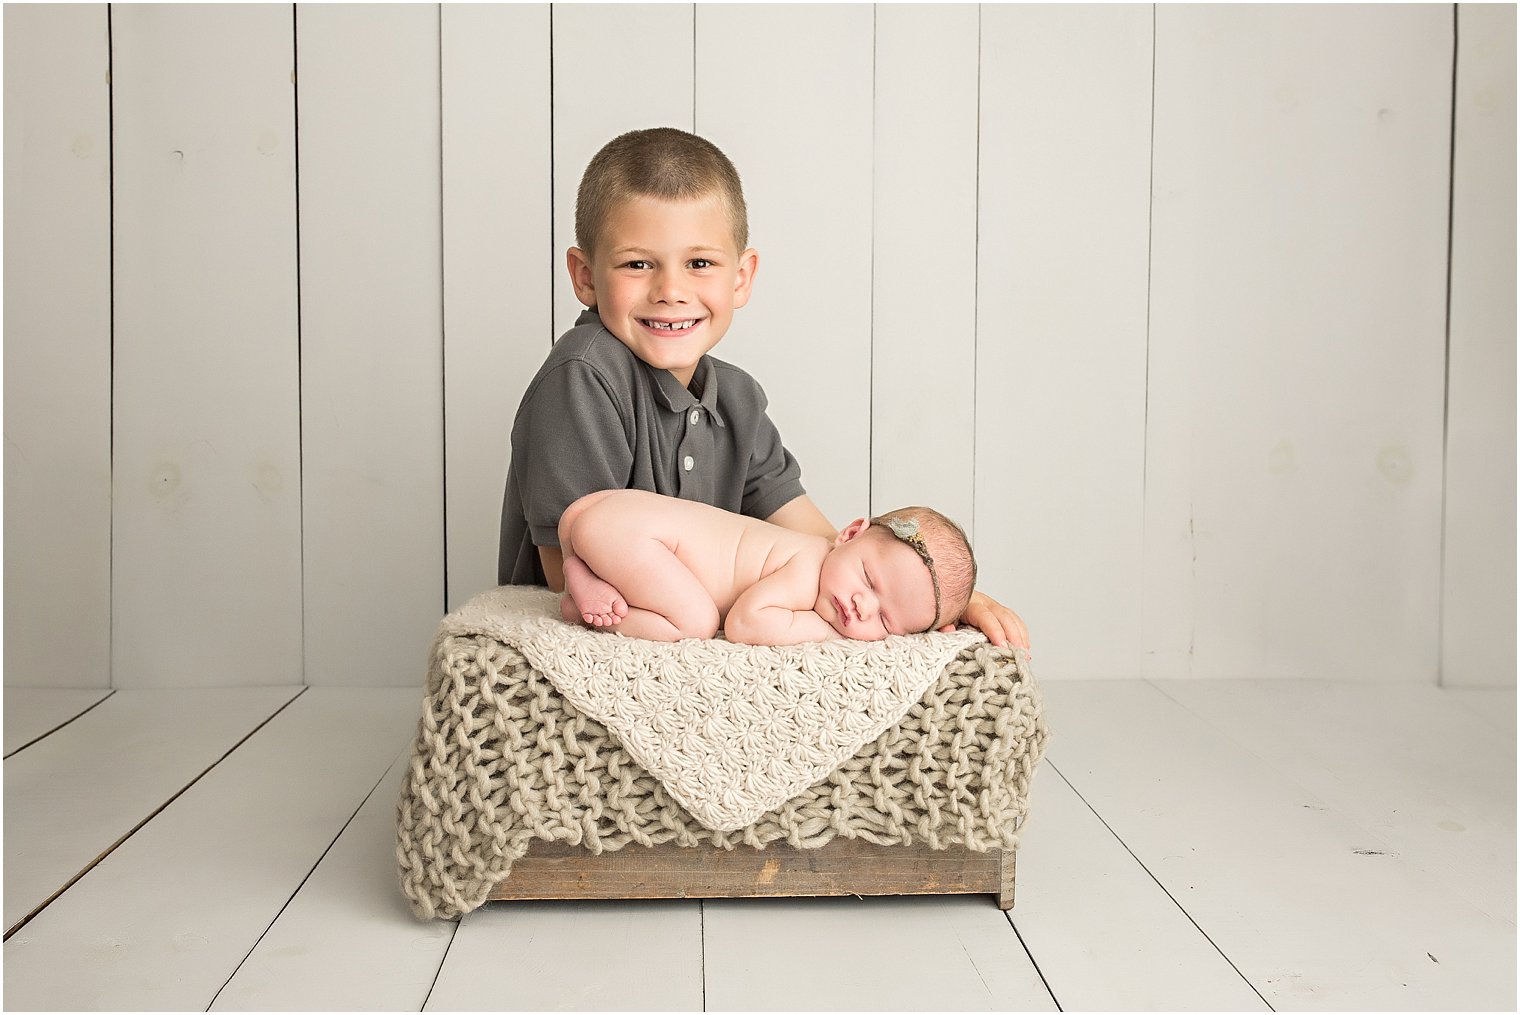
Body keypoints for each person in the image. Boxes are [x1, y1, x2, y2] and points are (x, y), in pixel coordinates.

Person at [498, 127, 1030, 649]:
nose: (671, 291)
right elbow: (568, 576)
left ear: (741, 277)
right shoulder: (584, 377)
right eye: (638, 264)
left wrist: (944, 596)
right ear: (585, 276)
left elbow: (823, 545)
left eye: (700, 263)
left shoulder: (737, 399)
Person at [556, 490, 976, 645]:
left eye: (885, 620)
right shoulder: (808, 566)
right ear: (848, 534)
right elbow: (745, 624)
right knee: (696, 621)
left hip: (614, 517)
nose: (861, 607)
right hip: (630, 532)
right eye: (868, 579)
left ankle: (588, 569)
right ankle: (582, 603)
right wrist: (828, 631)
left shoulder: (821, 562)